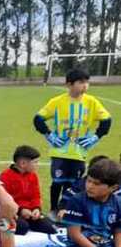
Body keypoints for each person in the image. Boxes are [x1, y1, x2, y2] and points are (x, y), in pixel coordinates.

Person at [33, 68, 112, 216]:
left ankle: (68, 211)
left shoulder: (92, 102)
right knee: (57, 182)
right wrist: (49, 135)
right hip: (59, 151)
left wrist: (96, 137)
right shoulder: (57, 102)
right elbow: (38, 119)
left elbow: (107, 120)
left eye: (87, 82)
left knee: (74, 184)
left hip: (79, 151)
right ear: (69, 84)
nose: (85, 86)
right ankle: (53, 209)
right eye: (81, 82)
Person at [62, 158, 121, 247]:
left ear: (113, 187)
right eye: (88, 181)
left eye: (96, 184)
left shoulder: (117, 202)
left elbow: (118, 230)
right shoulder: (76, 201)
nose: (90, 186)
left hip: (106, 246)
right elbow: (74, 234)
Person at [0, 145, 57, 235]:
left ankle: (29, 222)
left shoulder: (33, 176)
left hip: (30, 213)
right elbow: (5, 200)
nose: (37, 165)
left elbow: (36, 195)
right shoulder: (5, 176)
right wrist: (21, 210)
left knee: (50, 228)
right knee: (22, 227)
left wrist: (36, 209)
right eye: (35, 162)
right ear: (23, 164)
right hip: (14, 212)